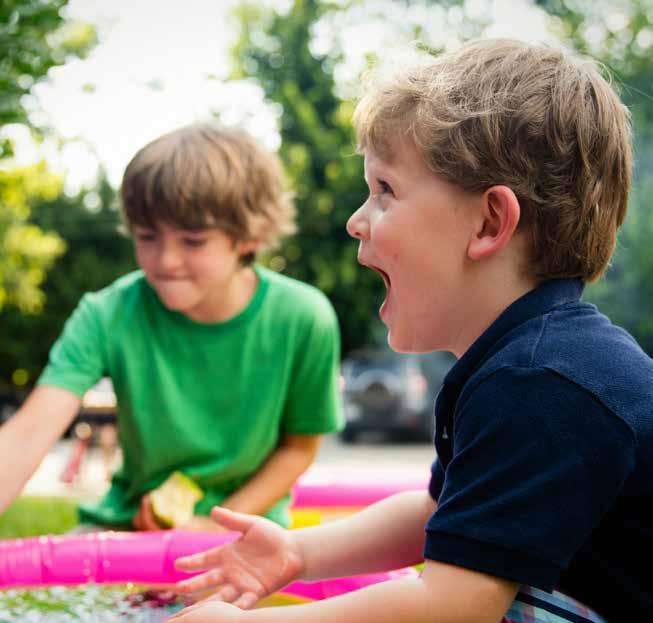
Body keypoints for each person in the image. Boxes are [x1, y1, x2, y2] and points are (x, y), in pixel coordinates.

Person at [166, 39, 652, 623]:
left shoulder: (541, 384)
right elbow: (436, 514)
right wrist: (298, 552)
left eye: (385, 190)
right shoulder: (525, 364)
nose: (356, 220)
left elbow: (452, 607)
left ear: (489, 222)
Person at [0, 123, 343, 532]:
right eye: (147, 237)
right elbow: (27, 435)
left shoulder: (304, 317)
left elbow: (298, 449)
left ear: (251, 235)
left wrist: (215, 524)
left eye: (193, 241)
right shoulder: (106, 313)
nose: (166, 261)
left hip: (247, 531)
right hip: (128, 527)